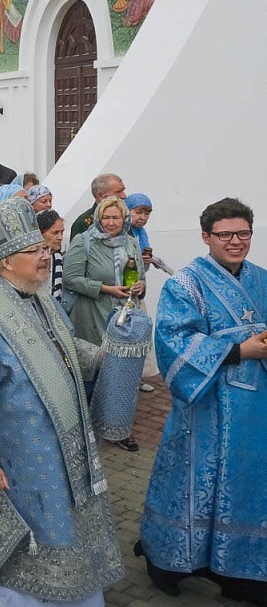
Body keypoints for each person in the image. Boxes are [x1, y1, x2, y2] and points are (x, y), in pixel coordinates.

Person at [0, 197, 122, 605]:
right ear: (7, 261)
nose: (46, 257)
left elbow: (64, 347)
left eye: (45, 249)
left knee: (65, 522)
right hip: (19, 453)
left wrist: (107, 353)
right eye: (34, 251)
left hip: (60, 444)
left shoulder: (39, 297)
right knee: (33, 535)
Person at [137, 198, 267, 603]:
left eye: (243, 233)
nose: (235, 241)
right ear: (206, 236)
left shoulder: (262, 279)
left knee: (246, 486)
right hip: (205, 408)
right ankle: (167, 562)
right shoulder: (185, 284)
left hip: (254, 411)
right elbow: (173, 342)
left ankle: (240, 572)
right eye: (225, 234)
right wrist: (239, 349)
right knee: (190, 484)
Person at [63, 196, 145, 348]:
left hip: (126, 320)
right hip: (93, 319)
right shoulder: (84, 241)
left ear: (125, 219)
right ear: (98, 219)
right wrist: (105, 289)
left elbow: (142, 277)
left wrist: (141, 286)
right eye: (105, 218)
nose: (111, 223)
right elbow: (70, 278)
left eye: (116, 218)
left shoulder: (132, 243)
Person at [69, 172, 127, 239]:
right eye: (118, 192)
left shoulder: (126, 218)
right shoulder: (82, 223)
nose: (124, 196)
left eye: (123, 191)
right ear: (100, 195)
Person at [37, 209, 66, 304]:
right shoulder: (31, 259)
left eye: (62, 232)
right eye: (55, 233)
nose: (60, 237)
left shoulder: (57, 258)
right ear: (40, 233)